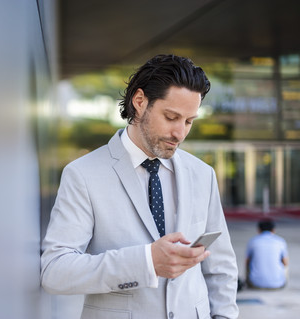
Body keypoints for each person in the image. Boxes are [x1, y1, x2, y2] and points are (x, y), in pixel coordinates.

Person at [41, 54, 239, 319]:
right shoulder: (82, 174)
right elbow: (56, 272)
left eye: (189, 121)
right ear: (139, 102)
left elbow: (221, 266)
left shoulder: (203, 174)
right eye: (171, 117)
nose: (180, 133)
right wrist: (145, 262)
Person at [246, 219, 289, 289]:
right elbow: (285, 263)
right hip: (278, 284)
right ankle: (279, 279)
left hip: (256, 283)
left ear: (259, 230)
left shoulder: (253, 241)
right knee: (284, 261)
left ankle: (249, 282)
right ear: (273, 230)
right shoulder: (281, 241)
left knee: (250, 261)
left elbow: (247, 262)